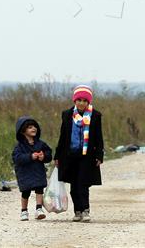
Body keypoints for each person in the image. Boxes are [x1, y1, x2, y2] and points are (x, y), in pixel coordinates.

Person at [54, 85, 104, 222]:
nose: (81, 103)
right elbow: (63, 136)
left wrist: (99, 155)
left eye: (84, 100)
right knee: (73, 185)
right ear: (74, 101)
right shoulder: (67, 114)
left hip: (87, 156)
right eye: (79, 100)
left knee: (83, 183)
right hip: (70, 155)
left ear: (88, 102)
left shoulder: (95, 115)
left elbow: (99, 137)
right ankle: (77, 211)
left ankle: (85, 210)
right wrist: (57, 156)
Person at [12, 116, 53, 221]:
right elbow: (17, 158)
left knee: (39, 189)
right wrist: (30, 157)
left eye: (34, 126)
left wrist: (44, 156)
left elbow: (49, 153)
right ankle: (24, 211)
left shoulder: (41, 144)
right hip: (24, 173)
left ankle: (39, 209)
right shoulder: (19, 146)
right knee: (26, 192)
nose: (33, 128)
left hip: (38, 171)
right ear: (22, 131)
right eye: (30, 127)